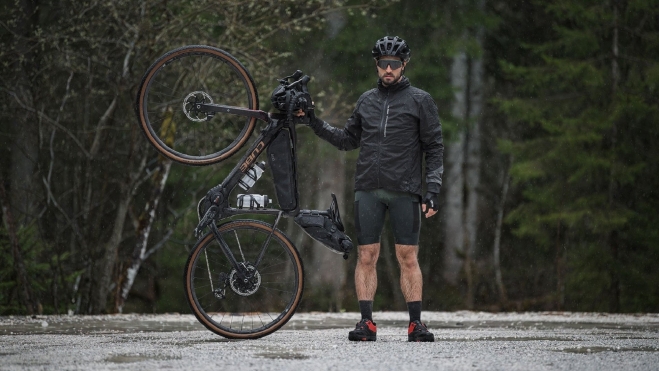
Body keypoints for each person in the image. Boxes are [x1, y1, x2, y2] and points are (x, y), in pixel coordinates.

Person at [302, 36, 444, 342]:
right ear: (376, 66)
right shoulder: (366, 100)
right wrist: (313, 121)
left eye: (394, 64)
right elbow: (346, 140)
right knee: (366, 255)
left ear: (404, 65)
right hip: (368, 188)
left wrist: (432, 189)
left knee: (407, 256)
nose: (388, 69)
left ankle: (416, 324)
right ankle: (366, 323)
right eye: (383, 64)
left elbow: (434, 148)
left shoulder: (421, 100)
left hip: (405, 189)